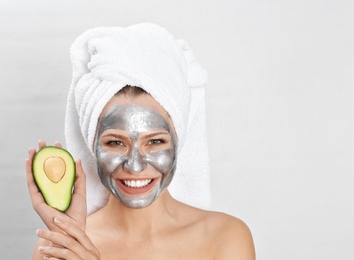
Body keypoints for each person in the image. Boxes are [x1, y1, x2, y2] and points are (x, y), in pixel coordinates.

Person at [26, 23, 255, 259]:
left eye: (155, 142)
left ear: (179, 140)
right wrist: (69, 233)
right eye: (115, 143)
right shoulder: (59, 247)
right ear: (92, 145)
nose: (134, 166)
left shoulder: (225, 237)